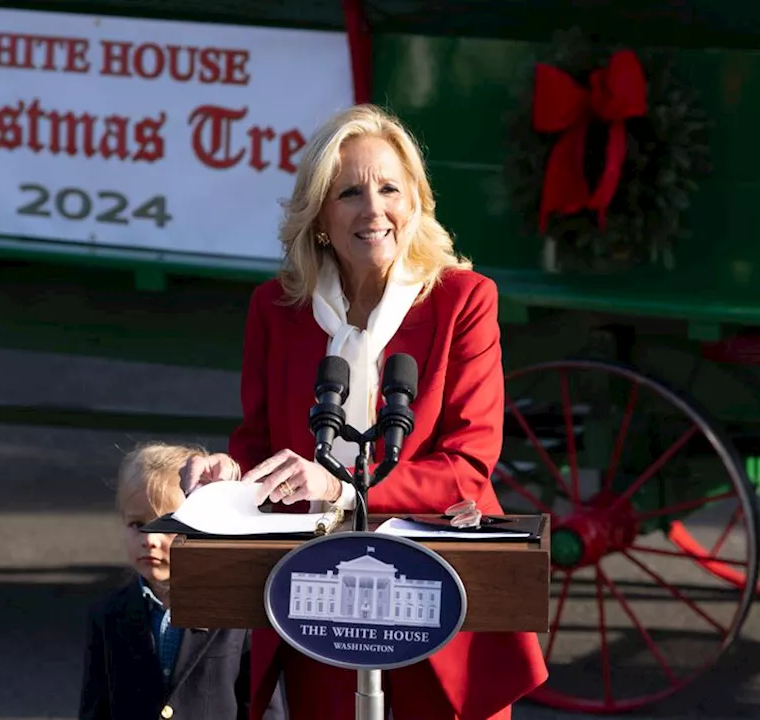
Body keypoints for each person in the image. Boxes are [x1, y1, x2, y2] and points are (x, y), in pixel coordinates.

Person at [180, 104, 549, 720]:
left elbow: (467, 467)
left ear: (416, 205)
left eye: (389, 189)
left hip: (438, 602)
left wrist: (343, 489)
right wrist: (226, 475)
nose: (373, 209)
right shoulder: (276, 308)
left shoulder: (464, 301)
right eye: (350, 192)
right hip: (315, 604)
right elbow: (258, 446)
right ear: (320, 215)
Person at [78, 441, 287, 720]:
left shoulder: (239, 617)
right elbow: (95, 709)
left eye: (167, 525)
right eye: (137, 525)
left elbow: (262, 708)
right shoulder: (106, 615)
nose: (150, 540)